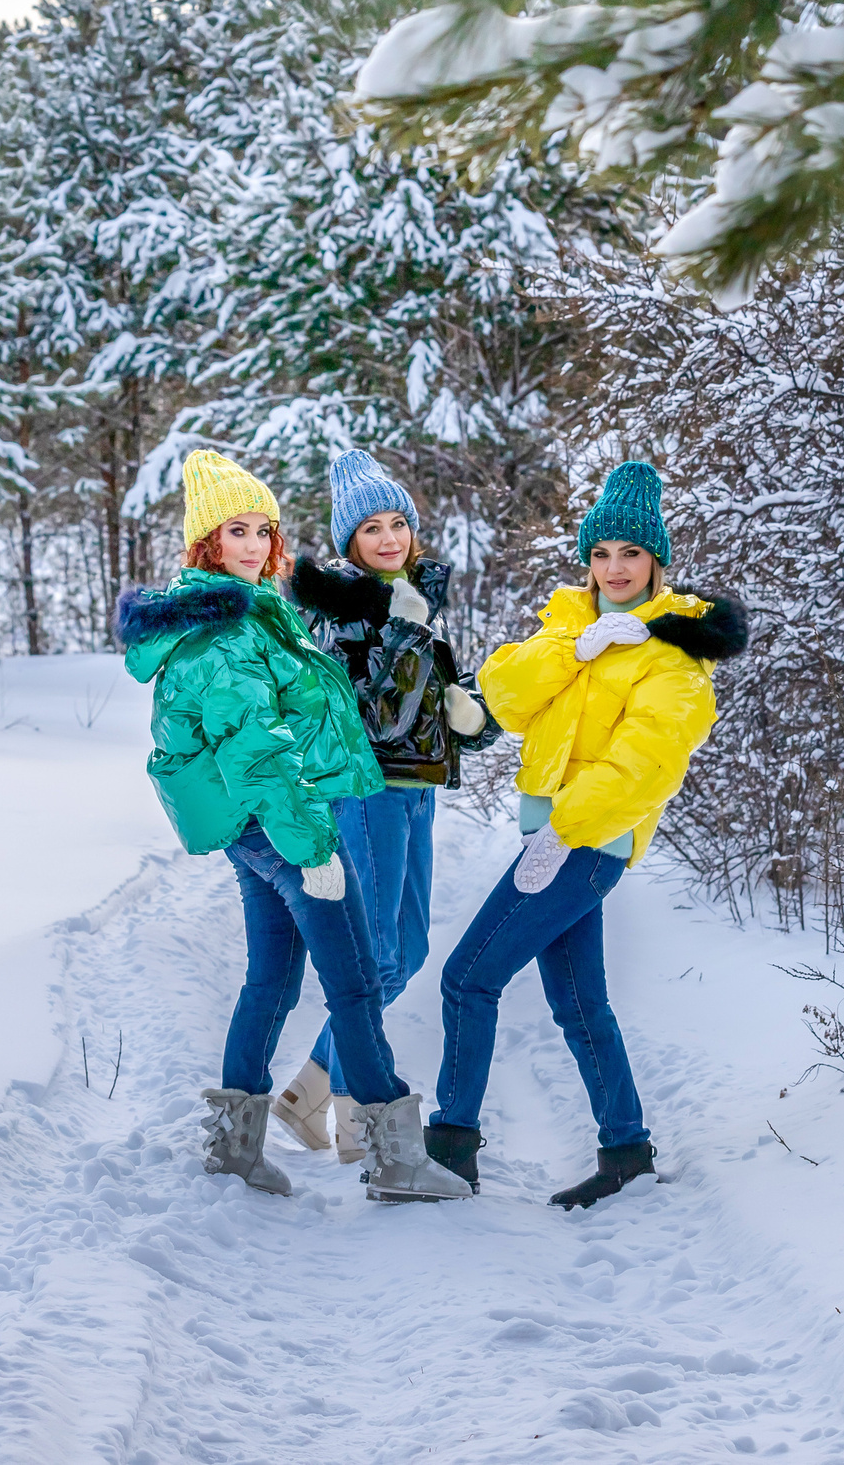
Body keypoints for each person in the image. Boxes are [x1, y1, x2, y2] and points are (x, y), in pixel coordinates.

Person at [116, 449, 470, 1204]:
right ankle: (393, 1157)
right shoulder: (227, 636)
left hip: (257, 833)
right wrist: (313, 850)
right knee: (352, 987)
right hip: (282, 829)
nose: (251, 544)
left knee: (271, 981)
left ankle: (236, 1146)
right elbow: (259, 753)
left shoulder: (246, 613)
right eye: (234, 530)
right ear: (207, 543)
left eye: (262, 529)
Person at [424, 461, 748, 1208]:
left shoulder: (676, 655)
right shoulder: (573, 624)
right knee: (578, 1003)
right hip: (558, 839)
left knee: (468, 977)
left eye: (630, 553)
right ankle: (627, 1150)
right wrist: (578, 647)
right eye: (601, 553)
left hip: (581, 846)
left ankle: (449, 1152)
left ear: (656, 561)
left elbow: (646, 765)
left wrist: (563, 834)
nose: (614, 568)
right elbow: (500, 691)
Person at [276, 449, 501, 1161]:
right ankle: (351, 1114)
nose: (389, 537)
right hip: (366, 792)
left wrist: (474, 713)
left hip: (415, 788)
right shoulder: (346, 616)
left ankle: (310, 1088)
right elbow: (378, 714)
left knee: (406, 948)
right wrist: (405, 626)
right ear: (350, 544)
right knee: (374, 951)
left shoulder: (410, 600)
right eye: (371, 528)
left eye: (397, 521)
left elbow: (428, 702)